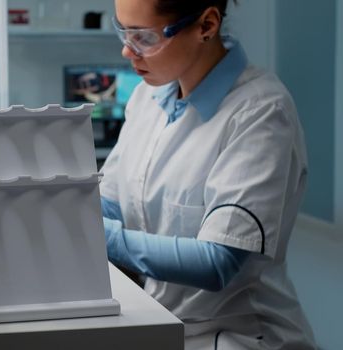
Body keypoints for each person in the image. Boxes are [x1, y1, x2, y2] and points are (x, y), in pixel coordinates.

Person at [100, 0, 317, 348]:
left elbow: (217, 261)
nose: (127, 50)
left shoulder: (261, 110)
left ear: (206, 25)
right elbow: (112, 204)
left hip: (240, 334)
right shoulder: (146, 97)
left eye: (144, 37)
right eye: (123, 31)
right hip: (167, 324)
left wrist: (103, 237)